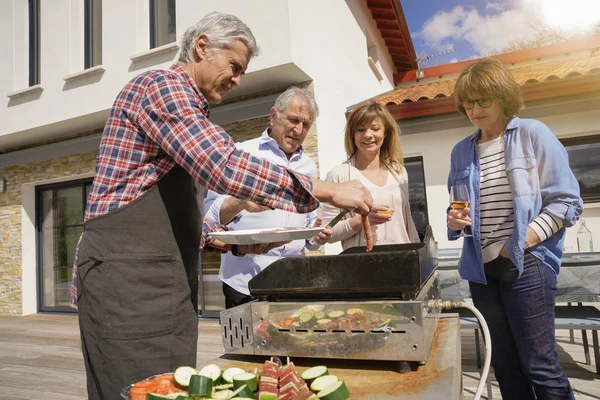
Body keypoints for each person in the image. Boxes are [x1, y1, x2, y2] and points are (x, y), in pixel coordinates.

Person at [71, 12, 372, 399]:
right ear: (201, 47)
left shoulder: (189, 110)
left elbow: (176, 219)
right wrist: (325, 189)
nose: (237, 80)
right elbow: (223, 164)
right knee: (137, 390)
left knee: (171, 388)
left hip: (161, 285)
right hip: (127, 285)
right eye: (234, 66)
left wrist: (233, 244)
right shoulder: (162, 87)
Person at [447, 58, 582, 399]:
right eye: (468, 102)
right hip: (480, 269)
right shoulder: (461, 151)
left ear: (503, 96)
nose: (475, 109)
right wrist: (454, 220)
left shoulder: (532, 134)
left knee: (539, 363)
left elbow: (566, 202)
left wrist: (519, 243)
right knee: (504, 362)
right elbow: (460, 207)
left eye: (484, 100)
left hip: (528, 262)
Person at [204, 86, 333, 309]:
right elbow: (209, 215)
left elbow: (309, 226)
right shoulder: (241, 154)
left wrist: (316, 235)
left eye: (306, 124)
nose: (299, 129)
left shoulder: (308, 166)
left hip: (293, 281)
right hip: (245, 281)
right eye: (293, 120)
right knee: (244, 345)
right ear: (274, 116)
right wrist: (242, 201)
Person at [322, 100, 419, 251]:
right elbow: (328, 232)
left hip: (403, 261)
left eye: (375, 128)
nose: (368, 135)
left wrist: (419, 253)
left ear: (385, 133)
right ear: (352, 135)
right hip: (363, 265)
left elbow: (407, 221)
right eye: (360, 130)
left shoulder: (399, 172)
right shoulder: (338, 175)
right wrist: (363, 221)